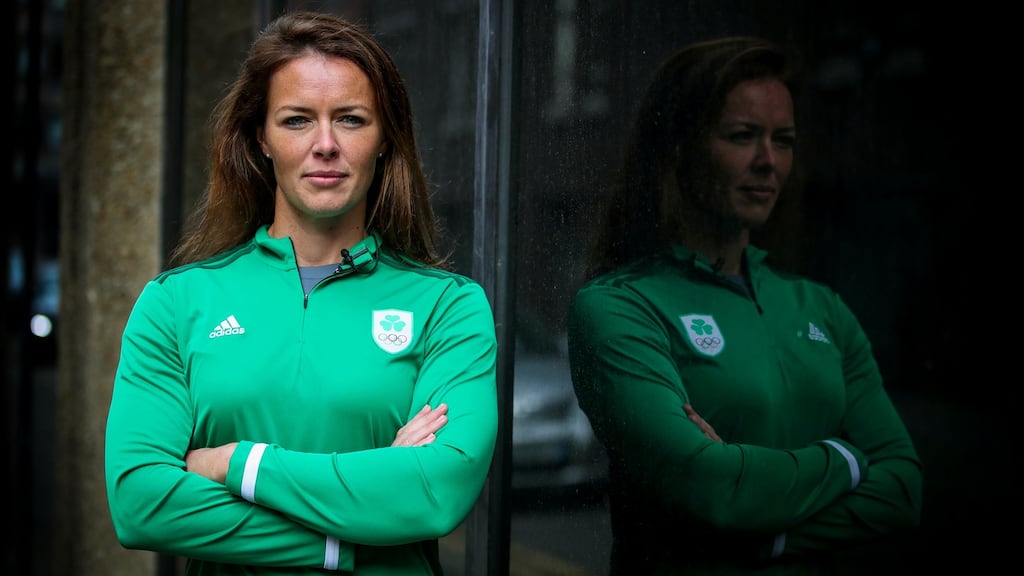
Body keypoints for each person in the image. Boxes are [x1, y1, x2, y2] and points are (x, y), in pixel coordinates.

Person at [104, 11, 497, 575]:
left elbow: (435, 493)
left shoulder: (449, 307)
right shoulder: (175, 303)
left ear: (385, 138)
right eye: (296, 120)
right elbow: (142, 505)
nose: (326, 144)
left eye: (352, 119)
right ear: (260, 137)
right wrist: (354, 530)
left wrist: (238, 463)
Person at [567, 36, 922, 575]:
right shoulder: (619, 307)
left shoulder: (819, 307)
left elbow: (902, 489)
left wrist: (766, 537)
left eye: (784, 140)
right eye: (742, 137)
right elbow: (710, 487)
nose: (769, 162)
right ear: (680, 148)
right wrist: (848, 458)